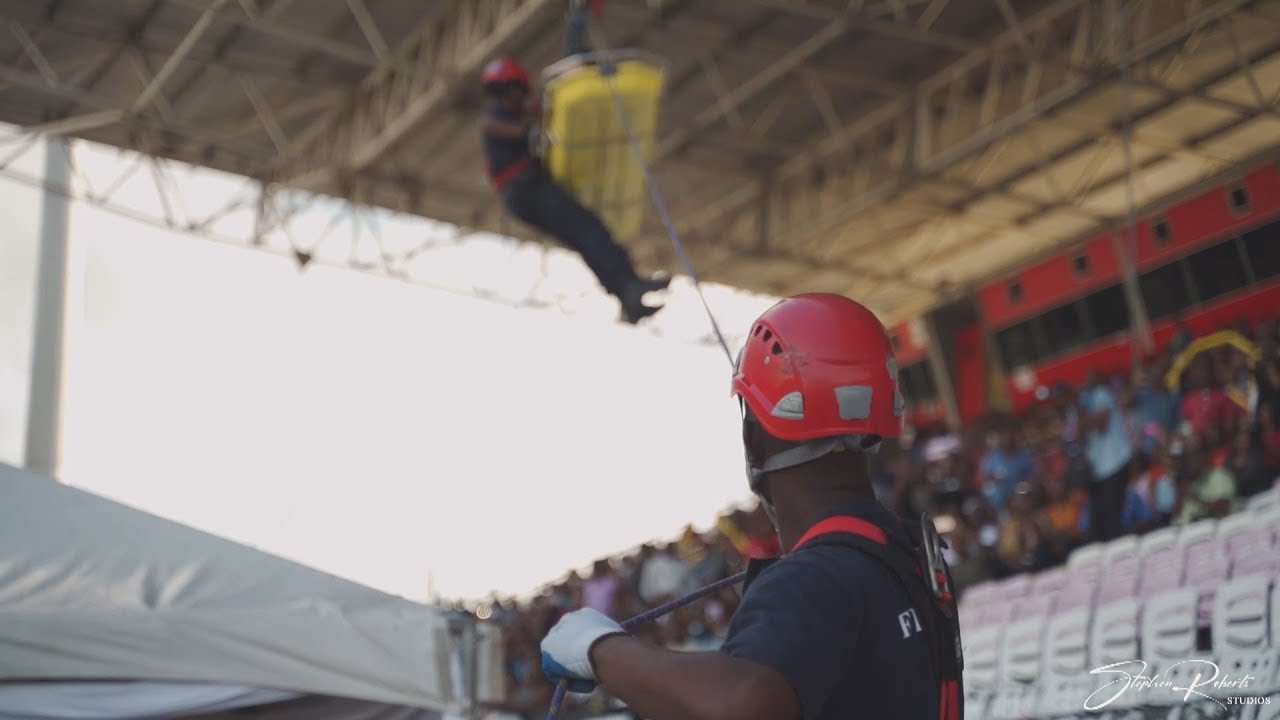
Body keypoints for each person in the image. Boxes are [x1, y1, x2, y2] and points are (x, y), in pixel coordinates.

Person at [539, 293, 962, 720]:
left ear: (753, 438)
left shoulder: (815, 576)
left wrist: (598, 650)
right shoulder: (902, 551)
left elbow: (740, 703)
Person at [479, 6, 669, 325]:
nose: (515, 99)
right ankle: (629, 286)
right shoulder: (495, 120)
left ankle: (627, 294)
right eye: (511, 92)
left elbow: (541, 115)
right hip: (525, 190)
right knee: (589, 227)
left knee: (586, 235)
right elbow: (524, 125)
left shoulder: (510, 116)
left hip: (526, 195)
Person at [1081, 371, 1134, 542]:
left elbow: (1102, 425)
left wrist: (1083, 415)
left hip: (1115, 462)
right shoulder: (1086, 400)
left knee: (1113, 516)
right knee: (1100, 520)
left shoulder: (1101, 393)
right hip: (1100, 469)